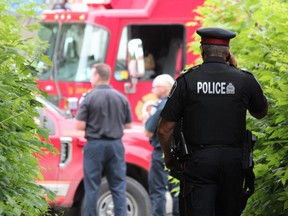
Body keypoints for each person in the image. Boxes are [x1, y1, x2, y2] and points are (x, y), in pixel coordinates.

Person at [157, 27, 268, 216]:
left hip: (198, 163)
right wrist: (234, 70)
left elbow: (165, 129)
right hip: (234, 163)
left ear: (202, 51)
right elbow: (261, 112)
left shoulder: (187, 81)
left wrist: (168, 158)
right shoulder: (244, 80)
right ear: (228, 53)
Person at [75, 63, 132, 216]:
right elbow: (128, 125)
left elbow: (79, 125)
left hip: (94, 145)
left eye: (92, 75)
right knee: (119, 186)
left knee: (92, 187)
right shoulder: (121, 97)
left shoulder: (89, 97)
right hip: (115, 146)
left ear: (97, 76)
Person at [143, 74, 179, 216]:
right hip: (178, 153)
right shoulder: (179, 104)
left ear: (164, 88)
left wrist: (147, 119)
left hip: (161, 154)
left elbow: (147, 132)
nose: (152, 90)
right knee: (176, 189)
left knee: (157, 190)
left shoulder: (162, 106)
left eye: (155, 87)